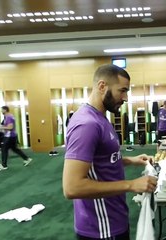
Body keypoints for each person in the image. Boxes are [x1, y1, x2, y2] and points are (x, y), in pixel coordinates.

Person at [62, 64, 158, 240]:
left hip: (114, 218)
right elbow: (72, 187)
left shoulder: (100, 118)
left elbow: (101, 159)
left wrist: (131, 160)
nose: (126, 98)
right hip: (101, 228)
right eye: (122, 91)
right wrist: (131, 185)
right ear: (101, 86)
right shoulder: (87, 125)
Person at [0, 106, 33, 171]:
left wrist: (1, 127)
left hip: (9, 136)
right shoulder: (9, 116)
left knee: (4, 149)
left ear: (5, 110)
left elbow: (10, 127)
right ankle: (27, 159)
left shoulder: (9, 117)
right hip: (12, 136)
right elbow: (8, 127)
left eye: (2, 110)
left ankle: (4, 165)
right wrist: (3, 127)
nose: (1, 111)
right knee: (15, 149)